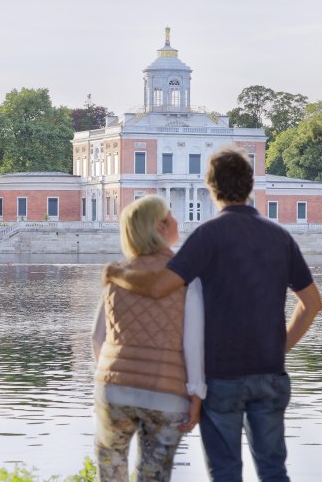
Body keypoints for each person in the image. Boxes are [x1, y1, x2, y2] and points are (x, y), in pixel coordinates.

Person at [103, 145, 322, 482]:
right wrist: (281, 347)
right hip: (270, 372)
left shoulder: (207, 235)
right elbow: (312, 305)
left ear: (210, 186)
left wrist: (118, 274)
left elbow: (161, 286)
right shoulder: (280, 237)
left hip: (222, 377)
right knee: (274, 470)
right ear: (249, 185)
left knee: (225, 472)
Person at [92, 194, 206, 481]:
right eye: (171, 215)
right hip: (165, 394)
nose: (178, 220)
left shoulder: (117, 275)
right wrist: (197, 394)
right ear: (161, 227)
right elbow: (193, 343)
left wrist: (108, 373)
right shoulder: (185, 277)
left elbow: (97, 337)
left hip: (114, 389)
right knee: (153, 475)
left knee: (110, 469)